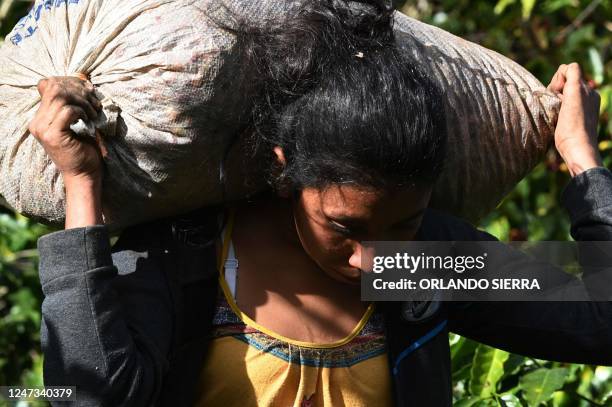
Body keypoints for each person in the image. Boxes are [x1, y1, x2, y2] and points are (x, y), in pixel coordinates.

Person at [29, 1, 611, 406]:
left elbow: (600, 322)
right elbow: (90, 394)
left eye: (402, 224)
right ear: (285, 170)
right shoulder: (188, 253)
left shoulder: (421, 263)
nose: (369, 259)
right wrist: (83, 186)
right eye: (343, 225)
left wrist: (582, 161)